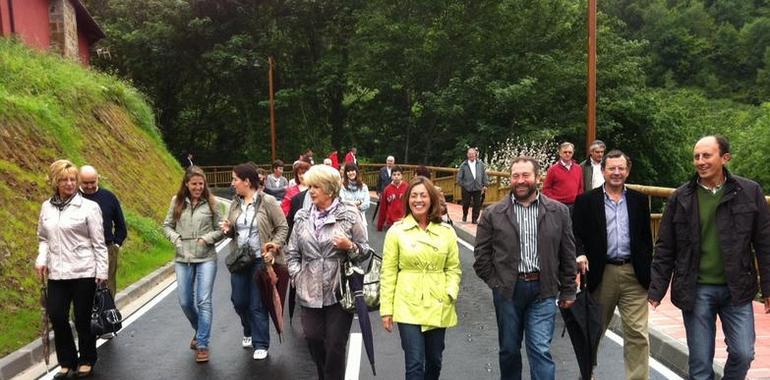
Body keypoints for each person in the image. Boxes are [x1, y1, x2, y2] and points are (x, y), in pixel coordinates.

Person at [648, 135, 770, 380]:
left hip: (738, 288)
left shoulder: (749, 191)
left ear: (724, 158)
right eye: (696, 156)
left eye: (707, 155)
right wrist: (656, 290)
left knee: (743, 353)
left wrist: (768, 288)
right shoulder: (680, 197)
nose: (700, 161)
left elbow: (765, 243)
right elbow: (665, 248)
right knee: (701, 365)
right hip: (696, 289)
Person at [473, 156, 577, 380]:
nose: (520, 180)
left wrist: (568, 289)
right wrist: (497, 284)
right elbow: (481, 257)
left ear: (537, 178)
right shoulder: (493, 213)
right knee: (509, 350)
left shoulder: (558, 212)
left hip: (544, 290)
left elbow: (567, 253)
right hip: (508, 292)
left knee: (540, 350)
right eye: (516, 176)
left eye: (525, 175)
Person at [572, 150, 652, 379]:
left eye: (621, 168)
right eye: (612, 168)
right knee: (594, 331)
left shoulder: (638, 200)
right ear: (603, 170)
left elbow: (646, 239)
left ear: (627, 171)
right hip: (601, 272)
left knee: (638, 332)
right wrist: (580, 254)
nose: (616, 173)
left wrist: (648, 268)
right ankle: (588, 374)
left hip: (633, 274)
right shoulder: (586, 201)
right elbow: (576, 235)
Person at [286, 164, 371, 380]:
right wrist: (297, 276)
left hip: (339, 291)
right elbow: (292, 253)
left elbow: (365, 252)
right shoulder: (302, 216)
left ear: (331, 189)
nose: (311, 191)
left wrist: (349, 246)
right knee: (313, 339)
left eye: (316, 186)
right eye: (310, 186)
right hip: (309, 289)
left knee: (335, 344)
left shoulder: (350, 214)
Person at [380, 176, 462, 380]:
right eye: (414, 196)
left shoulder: (447, 232)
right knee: (415, 363)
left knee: (434, 361)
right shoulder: (396, 232)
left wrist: (450, 292)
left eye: (423, 196)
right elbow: (388, 272)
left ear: (431, 199)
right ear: (407, 200)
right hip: (407, 302)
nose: (418, 200)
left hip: (438, 301)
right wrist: (387, 310)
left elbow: (453, 268)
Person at [36, 160, 108, 379]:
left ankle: (86, 359)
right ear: (55, 182)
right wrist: (41, 259)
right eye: (63, 180)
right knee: (57, 316)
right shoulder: (46, 207)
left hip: (84, 271)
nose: (69, 184)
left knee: (82, 318)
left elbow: (99, 242)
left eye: (72, 179)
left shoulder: (89, 207)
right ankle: (66, 361)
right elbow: (43, 238)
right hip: (57, 273)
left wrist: (102, 271)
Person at [220, 163, 289, 360]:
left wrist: (274, 246)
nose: (233, 183)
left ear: (247, 181)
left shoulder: (267, 201)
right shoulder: (235, 203)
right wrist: (229, 230)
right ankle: (247, 328)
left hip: (260, 260)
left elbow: (282, 227)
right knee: (239, 302)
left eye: (235, 179)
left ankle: (261, 343)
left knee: (257, 303)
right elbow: (234, 230)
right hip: (240, 260)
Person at [162, 166, 224, 363]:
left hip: (206, 257)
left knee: (203, 300)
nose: (198, 187)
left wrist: (207, 238)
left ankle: (203, 344)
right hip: (183, 257)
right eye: (194, 184)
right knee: (185, 301)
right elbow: (167, 226)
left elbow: (221, 229)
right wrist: (176, 240)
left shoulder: (212, 203)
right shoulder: (177, 201)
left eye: (201, 183)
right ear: (186, 184)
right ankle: (200, 330)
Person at [79, 165, 127, 299]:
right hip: (81, 250)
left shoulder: (109, 197)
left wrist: (116, 245)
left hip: (107, 249)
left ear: (98, 179)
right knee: (82, 288)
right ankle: (81, 318)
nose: (89, 186)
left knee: (107, 287)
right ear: (79, 180)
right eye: (85, 183)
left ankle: (107, 315)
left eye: (92, 182)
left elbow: (120, 225)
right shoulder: (73, 198)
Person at [542, 142, 583, 210]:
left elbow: (580, 187)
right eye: (565, 152)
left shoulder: (578, 168)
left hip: (575, 205)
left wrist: (579, 200)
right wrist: (554, 202)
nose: (567, 154)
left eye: (570, 152)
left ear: (573, 153)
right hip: (558, 205)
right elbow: (546, 189)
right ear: (560, 153)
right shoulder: (552, 169)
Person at [456, 147, 489, 224]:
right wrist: (463, 185)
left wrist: (485, 184)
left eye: (473, 154)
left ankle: (474, 219)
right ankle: (465, 214)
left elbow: (484, 175)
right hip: (466, 188)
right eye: (470, 154)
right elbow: (459, 178)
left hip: (477, 187)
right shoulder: (463, 165)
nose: (471, 155)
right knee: (466, 203)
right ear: (467, 155)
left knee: (477, 204)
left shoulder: (480, 164)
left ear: (475, 154)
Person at [339, 162, 371, 237]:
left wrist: (356, 206)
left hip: (361, 219)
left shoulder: (364, 187)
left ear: (356, 172)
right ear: (346, 173)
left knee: (363, 244)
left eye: (353, 170)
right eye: (348, 171)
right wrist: (358, 202)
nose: (351, 173)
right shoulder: (342, 187)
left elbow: (367, 204)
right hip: (347, 220)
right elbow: (342, 202)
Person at [377, 166, 407, 231]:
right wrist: (380, 224)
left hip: (404, 221)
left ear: (402, 176)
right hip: (391, 222)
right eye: (394, 174)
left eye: (398, 174)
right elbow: (383, 208)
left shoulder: (407, 187)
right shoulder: (387, 189)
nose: (396, 176)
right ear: (391, 176)